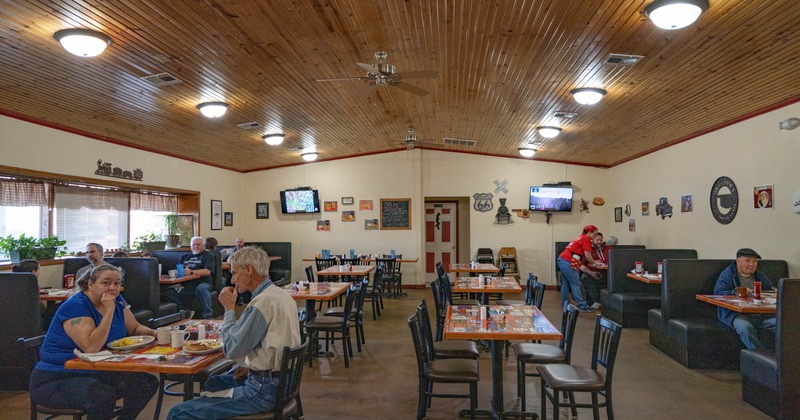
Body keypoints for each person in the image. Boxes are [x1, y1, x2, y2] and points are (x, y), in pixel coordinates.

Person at [168, 246, 301, 419]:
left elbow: (231, 349)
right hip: (284, 383)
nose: (232, 279)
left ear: (249, 269)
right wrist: (250, 365)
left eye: (235, 273)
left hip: (263, 391)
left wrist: (229, 309)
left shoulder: (262, 303)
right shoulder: (281, 295)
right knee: (214, 383)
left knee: (177, 413)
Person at [29, 264, 159, 419]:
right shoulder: (76, 306)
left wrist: (155, 333)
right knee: (103, 396)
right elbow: (91, 347)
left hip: (94, 371)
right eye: (106, 283)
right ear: (91, 284)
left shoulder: (116, 301)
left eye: (117, 283)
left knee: (145, 383)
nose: (113, 288)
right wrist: (109, 310)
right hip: (57, 377)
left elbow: (134, 328)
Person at [714, 248, 775, 349]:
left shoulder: (759, 275)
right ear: (738, 261)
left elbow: (770, 290)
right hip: (737, 315)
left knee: (785, 325)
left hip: (761, 315)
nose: (752, 264)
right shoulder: (728, 274)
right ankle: (760, 358)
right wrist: (736, 292)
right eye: (748, 261)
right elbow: (719, 293)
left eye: (755, 261)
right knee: (745, 327)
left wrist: (775, 292)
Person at [164, 236, 216, 319]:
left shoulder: (208, 256)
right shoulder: (184, 257)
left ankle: (208, 315)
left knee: (201, 289)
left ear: (203, 246)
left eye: (198, 245)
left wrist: (191, 272)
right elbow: (178, 269)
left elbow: (207, 271)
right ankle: (185, 311)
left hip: (203, 282)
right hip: (187, 284)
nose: (195, 247)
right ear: (190, 246)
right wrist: (176, 272)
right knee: (169, 292)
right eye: (193, 245)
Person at [558, 225, 600, 311]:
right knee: (575, 283)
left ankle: (565, 304)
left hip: (562, 259)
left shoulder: (580, 237)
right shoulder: (586, 239)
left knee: (565, 283)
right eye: (595, 234)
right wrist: (595, 262)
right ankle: (582, 305)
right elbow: (588, 255)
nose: (595, 236)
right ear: (589, 233)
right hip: (569, 261)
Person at [579, 232, 613, 309]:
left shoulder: (609, 249)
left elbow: (615, 260)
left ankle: (610, 303)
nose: (599, 242)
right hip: (593, 272)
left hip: (608, 272)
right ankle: (597, 301)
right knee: (585, 277)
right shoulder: (588, 250)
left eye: (601, 240)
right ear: (592, 240)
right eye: (597, 240)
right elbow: (581, 265)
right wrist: (591, 273)